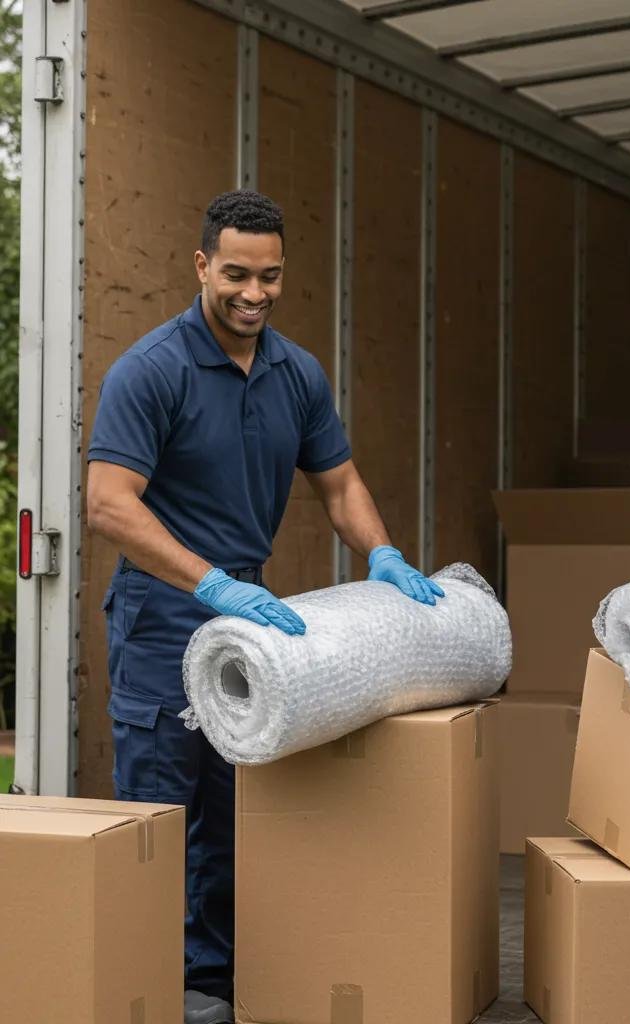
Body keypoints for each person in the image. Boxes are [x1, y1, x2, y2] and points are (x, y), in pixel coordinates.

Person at [86, 190, 442, 1024]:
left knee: (236, 808)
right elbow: (109, 503)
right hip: (167, 611)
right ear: (202, 264)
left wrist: (381, 554)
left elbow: (340, 481)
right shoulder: (152, 369)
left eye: (271, 277)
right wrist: (208, 581)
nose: (254, 293)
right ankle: (145, 989)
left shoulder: (296, 373)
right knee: (162, 812)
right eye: (237, 274)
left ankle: (210, 985)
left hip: (247, 612)